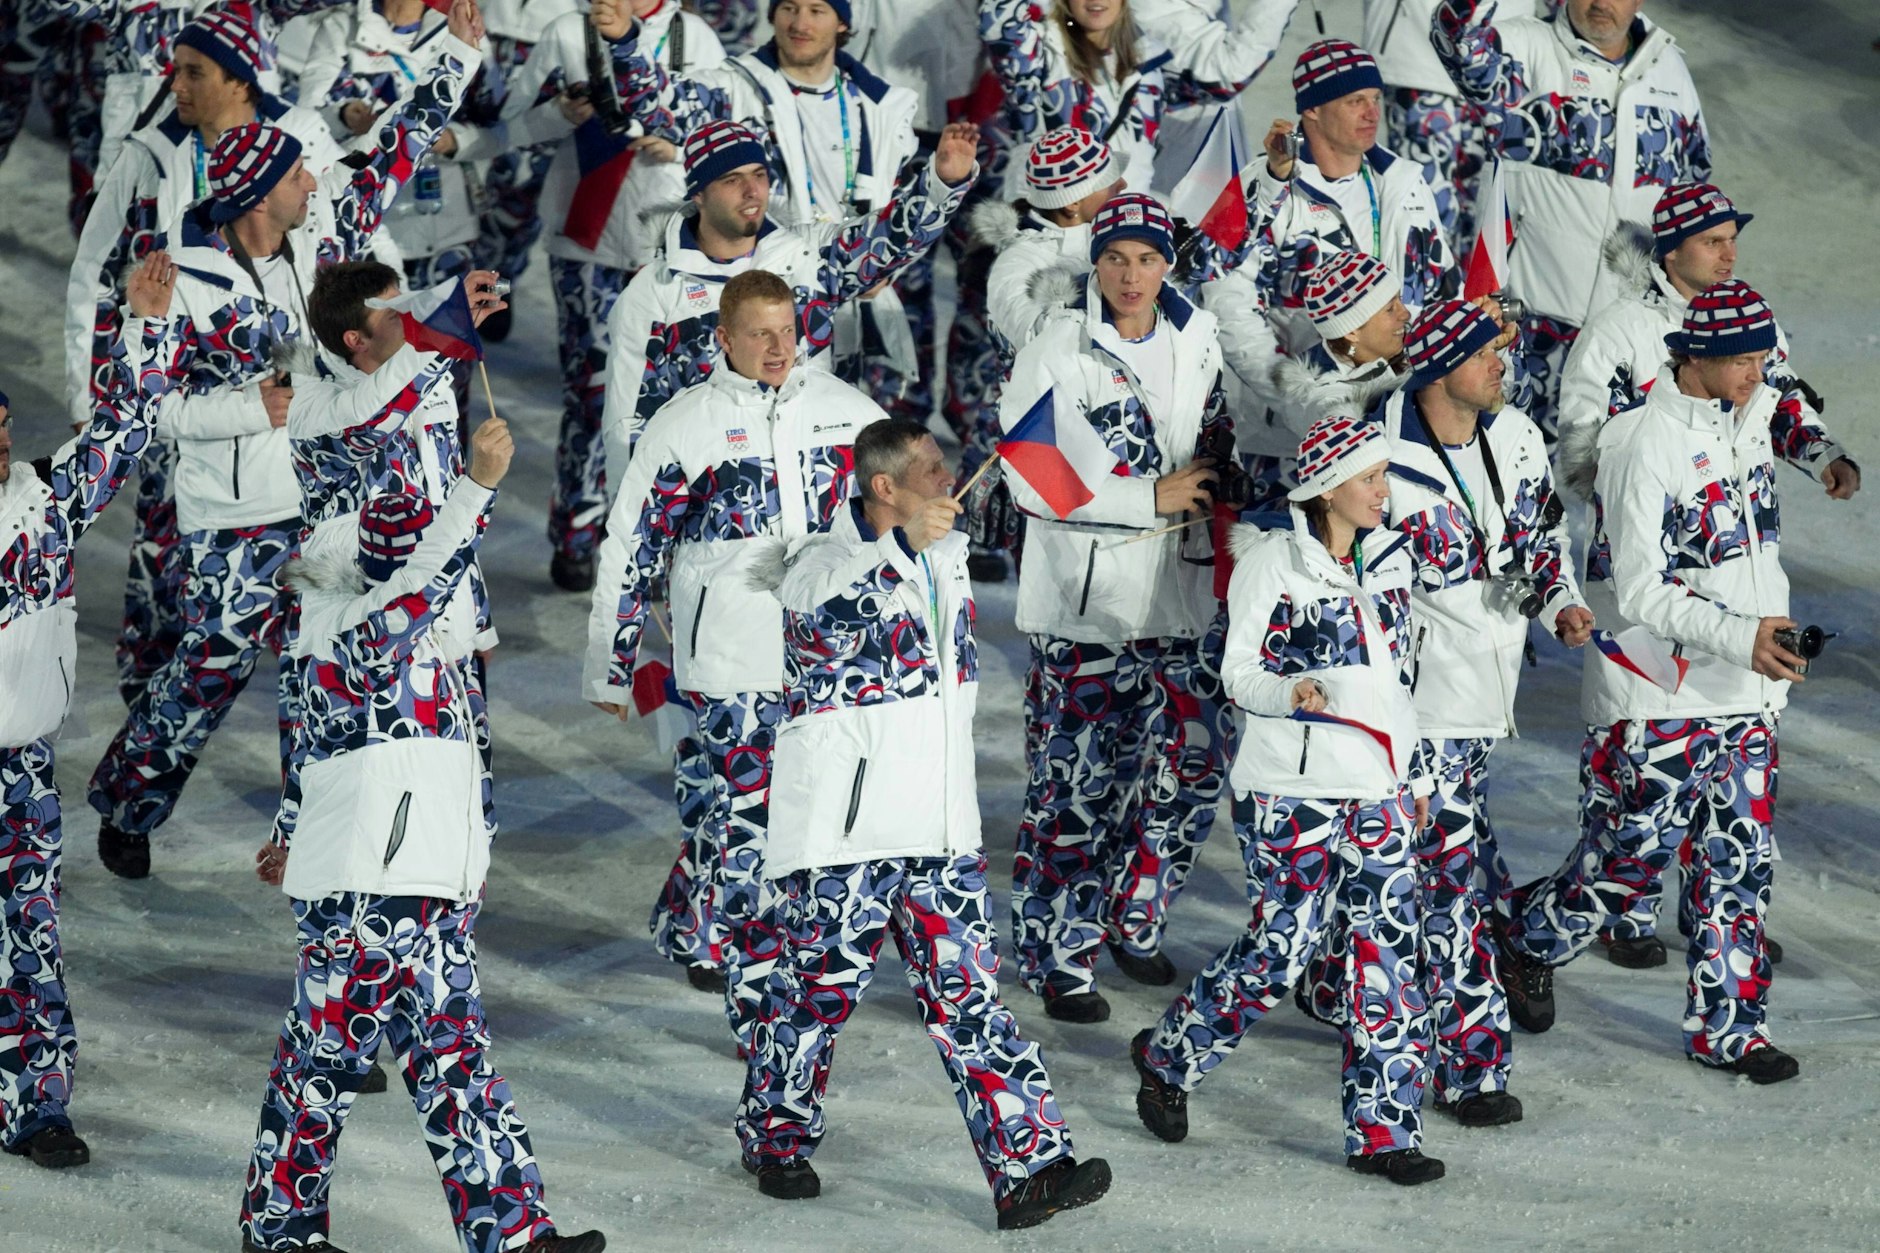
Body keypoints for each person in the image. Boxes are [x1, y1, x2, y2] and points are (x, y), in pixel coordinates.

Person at [85, 0, 485, 880]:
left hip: (329, 500)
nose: (318, 183)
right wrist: (245, 407)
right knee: (209, 668)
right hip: (236, 508)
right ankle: (128, 799)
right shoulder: (179, 281)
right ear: (259, 192)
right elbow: (155, 410)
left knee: (320, 670)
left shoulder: (327, 241)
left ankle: (312, 832)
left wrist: (455, 53)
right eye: (300, 175)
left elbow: (399, 148)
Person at [595, 119, 974, 992]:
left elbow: (885, 250)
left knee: (772, 780)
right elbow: (628, 433)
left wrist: (943, 182)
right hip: (711, 569)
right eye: (736, 182)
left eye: (762, 178)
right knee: (732, 779)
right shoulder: (654, 293)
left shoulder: (802, 262)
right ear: (701, 190)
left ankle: (711, 922)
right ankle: (740, 958)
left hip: (815, 568)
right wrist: (648, 579)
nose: (753, 193)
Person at [736, 418, 1114, 1228]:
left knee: (972, 1000)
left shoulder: (943, 553)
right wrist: (902, 548)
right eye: (934, 469)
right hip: (850, 833)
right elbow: (830, 615)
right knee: (816, 997)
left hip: (941, 829)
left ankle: (1031, 1168)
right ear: (885, 487)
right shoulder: (820, 564)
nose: (950, 479)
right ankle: (775, 1135)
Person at [241, 419, 607, 1253]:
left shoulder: (418, 637)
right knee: (323, 1060)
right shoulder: (352, 620)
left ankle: (513, 1234)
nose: (444, 576)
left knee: (456, 1056)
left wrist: (290, 824)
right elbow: (411, 601)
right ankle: (277, 1232)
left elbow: (325, 741)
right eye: (426, 554)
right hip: (363, 883)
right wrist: (474, 491)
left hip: (428, 874)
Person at [1494, 281, 1805, 1086]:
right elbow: (1636, 590)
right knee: (1623, 867)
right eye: (1741, 358)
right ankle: (1525, 936)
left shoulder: (1754, 424)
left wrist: (1762, 649)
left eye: (1760, 355)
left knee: (1737, 867)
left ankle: (1732, 1029)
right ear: (1693, 356)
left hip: (1745, 691)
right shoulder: (1641, 442)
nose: (1756, 371)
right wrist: (1742, 635)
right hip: (1654, 692)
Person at [1130, 414, 1444, 1187]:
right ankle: (1173, 1055)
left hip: (1378, 786)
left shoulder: (1397, 562)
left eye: (1383, 476)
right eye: (1370, 476)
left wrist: (1422, 775)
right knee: (1281, 950)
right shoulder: (1275, 562)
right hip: (1289, 789)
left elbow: (1409, 680)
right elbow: (1237, 671)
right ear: (1328, 484)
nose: (1383, 490)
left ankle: (1384, 1133)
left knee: (1387, 958)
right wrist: (1287, 689)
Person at [1556, 184, 1859, 968]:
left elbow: (1781, 404)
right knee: (1633, 743)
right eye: (1714, 240)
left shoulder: (1750, 320)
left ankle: (1718, 913)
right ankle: (1619, 910)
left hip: (1736, 566)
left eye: (1733, 239)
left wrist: (1820, 454)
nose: (1729, 254)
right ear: (1671, 250)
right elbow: (1580, 443)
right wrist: (1649, 478)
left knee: (1726, 747)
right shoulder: (1619, 330)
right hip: (1643, 559)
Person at [584, 268, 881, 1055]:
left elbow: (899, 511)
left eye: (788, 330)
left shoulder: (847, 414)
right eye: (760, 333)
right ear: (724, 338)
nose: (779, 346)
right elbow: (630, 547)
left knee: (773, 820)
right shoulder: (686, 425)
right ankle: (762, 1013)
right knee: (753, 830)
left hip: (828, 658)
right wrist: (610, 665)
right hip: (730, 660)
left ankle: (690, 915)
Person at [1342, 298, 1590, 1127]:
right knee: (1450, 897)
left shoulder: (1515, 435)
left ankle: (1323, 981)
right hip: (1417, 716)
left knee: (1427, 886)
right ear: (1445, 363)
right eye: (1487, 354)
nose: (1502, 368)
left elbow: (1540, 538)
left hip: (1482, 709)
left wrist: (1559, 600)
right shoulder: (1375, 457)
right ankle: (1473, 1069)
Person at [64, 7, 344, 706]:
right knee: (159, 547)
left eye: (194, 71)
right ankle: (148, 687)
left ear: (240, 80)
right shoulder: (147, 155)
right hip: (171, 385)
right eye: (177, 68)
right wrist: (85, 396)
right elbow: (92, 274)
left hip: (280, 400)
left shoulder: (299, 140)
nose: (176, 83)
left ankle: (298, 692)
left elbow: (345, 245)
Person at [1000, 193, 1236, 1022]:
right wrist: (1149, 496)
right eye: (1114, 260)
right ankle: (1056, 952)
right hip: (1088, 609)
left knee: (1191, 771)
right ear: (1093, 264)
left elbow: (1221, 429)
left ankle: (1133, 916)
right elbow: (1029, 468)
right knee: (1078, 790)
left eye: (1145, 259)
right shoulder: (1059, 343)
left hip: (1183, 595)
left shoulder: (1200, 335)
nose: (1130, 276)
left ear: (1167, 262)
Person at [0, 252, 178, 1170]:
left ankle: (38, 1106)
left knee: (32, 937)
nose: (0, 440)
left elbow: (123, 429)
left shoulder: (43, 506)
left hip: (23, 767)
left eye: (1, 424)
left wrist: (143, 329)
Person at [493, 0, 727, 591]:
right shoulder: (566, 31)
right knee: (591, 389)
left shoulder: (694, 34)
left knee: (675, 396)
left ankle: (662, 536)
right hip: (586, 239)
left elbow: (729, 132)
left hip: (674, 242)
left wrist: (680, 148)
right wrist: (561, 113)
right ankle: (576, 530)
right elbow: (513, 122)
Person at [1431, 0, 1710, 441]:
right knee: (1513, 473)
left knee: (1616, 483)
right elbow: (1456, 40)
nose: (1600, 3)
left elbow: (1694, 195)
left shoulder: (1668, 67)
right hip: (1529, 326)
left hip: (1627, 336)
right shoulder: (1526, 47)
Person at [296, 0, 520, 412]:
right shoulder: (343, 26)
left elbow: (501, 130)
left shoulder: (460, 28)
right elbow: (304, 121)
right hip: (367, 235)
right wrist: (345, 116)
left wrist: (457, 142)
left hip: (445, 225)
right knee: (371, 370)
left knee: (449, 371)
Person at [962, 124, 1125, 577]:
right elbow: (1037, 338)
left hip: (1103, 426)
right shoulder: (1019, 262)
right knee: (1053, 573)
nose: (1123, 187)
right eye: (1108, 183)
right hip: (1045, 435)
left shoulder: (1114, 239)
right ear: (1072, 203)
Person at [1360, 0, 1554, 241]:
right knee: (1423, 209)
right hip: (1417, 63)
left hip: (1499, 65)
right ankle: (1423, 277)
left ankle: (1466, 279)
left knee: (1486, 215)